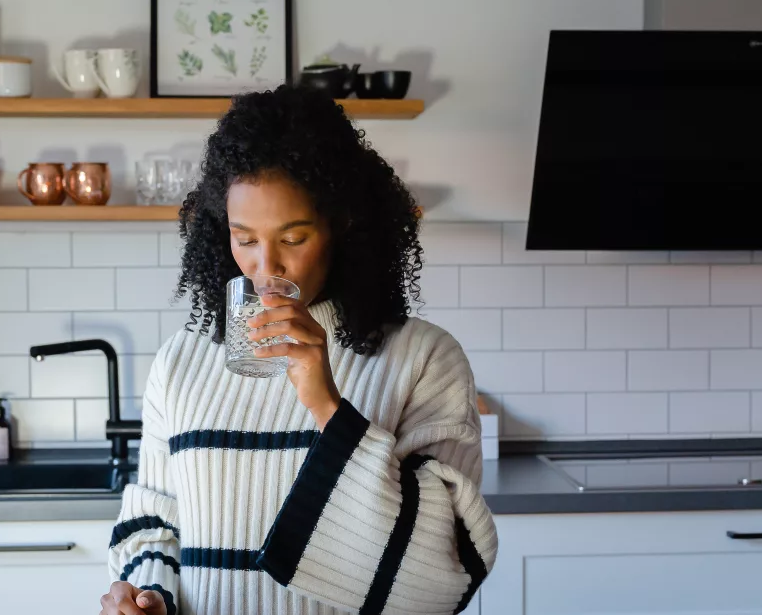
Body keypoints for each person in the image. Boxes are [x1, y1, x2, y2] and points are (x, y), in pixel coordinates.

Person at [101, 85, 497, 615]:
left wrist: (328, 407)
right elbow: (154, 522)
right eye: (245, 238)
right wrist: (150, 595)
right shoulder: (180, 361)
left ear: (341, 226)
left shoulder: (425, 360)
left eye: (292, 238)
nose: (266, 267)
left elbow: (444, 575)